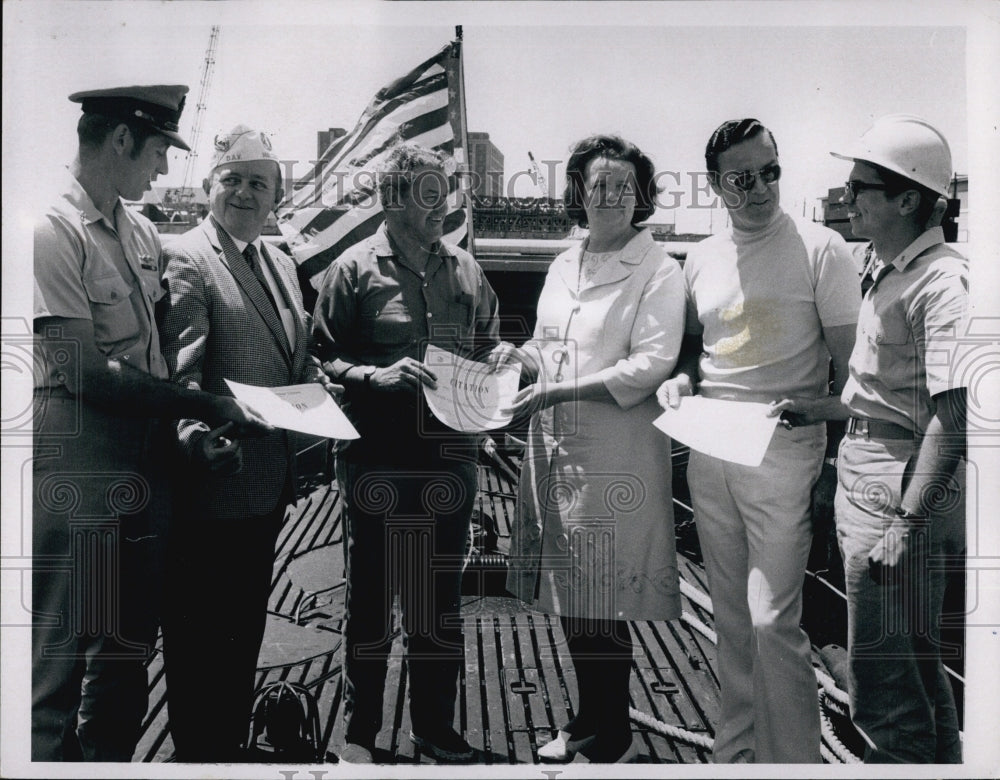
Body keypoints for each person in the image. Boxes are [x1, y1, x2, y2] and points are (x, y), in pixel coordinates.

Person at [32, 86, 269, 762]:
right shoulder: (49, 230)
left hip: (145, 462)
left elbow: (161, 352)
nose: (163, 169)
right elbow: (81, 368)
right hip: (80, 458)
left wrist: (188, 429)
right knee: (57, 661)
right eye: (159, 150)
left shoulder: (136, 232)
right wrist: (205, 408)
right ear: (121, 141)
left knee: (125, 654)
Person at [657, 118, 861, 763]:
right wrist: (681, 383)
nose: (761, 188)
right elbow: (695, 350)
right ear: (717, 186)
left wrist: (827, 452)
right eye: (742, 178)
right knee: (731, 616)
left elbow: (852, 376)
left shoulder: (823, 249)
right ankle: (738, 752)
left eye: (770, 172)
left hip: (784, 449)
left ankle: (794, 762)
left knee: (774, 620)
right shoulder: (703, 256)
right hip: (711, 446)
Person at [312, 143, 501, 764]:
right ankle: (361, 733)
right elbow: (320, 359)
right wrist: (373, 375)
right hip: (377, 462)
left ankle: (435, 729)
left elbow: (489, 348)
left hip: (449, 461)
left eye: (443, 191)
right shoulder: (353, 271)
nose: (440, 206)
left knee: (437, 600)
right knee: (370, 597)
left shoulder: (467, 271)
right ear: (392, 201)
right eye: (426, 193)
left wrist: (497, 377)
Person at [158, 124, 339, 762]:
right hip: (215, 480)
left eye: (258, 183)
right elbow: (180, 375)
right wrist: (194, 438)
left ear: (275, 197)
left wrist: (311, 380)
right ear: (209, 186)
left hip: (267, 484)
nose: (243, 192)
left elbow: (294, 355)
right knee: (198, 636)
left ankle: (228, 746)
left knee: (242, 629)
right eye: (231, 180)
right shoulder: (187, 257)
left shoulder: (281, 262)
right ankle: (199, 756)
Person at [503, 135, 686, 764]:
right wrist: (517, 356)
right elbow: (544, 342)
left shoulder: (659, 269)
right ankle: (597, 723)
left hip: (614, 455)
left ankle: (603, 732)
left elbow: (650, 367)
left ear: (641, 197)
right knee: (574, 596)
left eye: (622, 185)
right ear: (579, 192)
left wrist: (552, 393)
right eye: (596, 183)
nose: (607, 195)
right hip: (554, 447)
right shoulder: (564, 262)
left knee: (600, 598)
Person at [827, 115, 966, 763]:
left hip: (896, 492)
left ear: (909, 198)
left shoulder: (942, 282)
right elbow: (886, 392)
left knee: (885, 689)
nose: (846, 199)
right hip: (874, 474)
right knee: (919, 673)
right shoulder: (892, 271)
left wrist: (905, 525)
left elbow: (952, 415)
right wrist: (814, 409)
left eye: (860, 188)